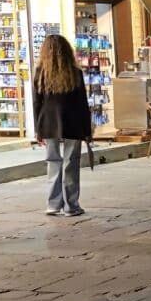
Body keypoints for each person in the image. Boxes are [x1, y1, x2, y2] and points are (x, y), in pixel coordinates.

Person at [34, 35, 92, 217]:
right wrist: (87, 130)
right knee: (71, 164)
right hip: (73, 123)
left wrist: (38, 128)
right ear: (67, 51)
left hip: (49, 122)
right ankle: (71, 206)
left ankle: (53, 204)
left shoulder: (40, 73)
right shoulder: (75, 73)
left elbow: (37, 103)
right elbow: (82, 104)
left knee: (53, 162)